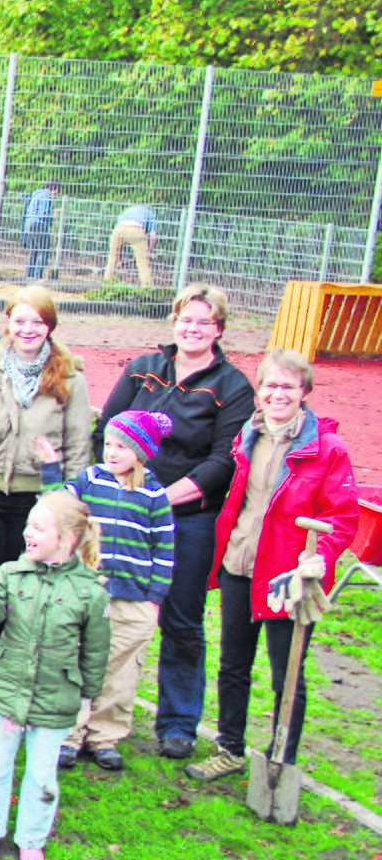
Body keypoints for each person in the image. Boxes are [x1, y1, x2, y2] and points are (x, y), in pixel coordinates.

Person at [94, 284, 254, 759]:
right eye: (186, 319)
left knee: (182, 620)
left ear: (218, 329)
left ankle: (178, 723)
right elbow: (108, 428)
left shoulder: (232, 387)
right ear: (174, 322)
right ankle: (93, 715)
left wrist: (160, 499)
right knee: (109, 610)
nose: (193, 329)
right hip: (123, 511)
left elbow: (223, 460)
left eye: (204, 322)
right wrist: (119, 491)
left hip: (187, 519)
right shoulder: (143, 368)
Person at [188, 351, 359, 785]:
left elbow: (342, 518)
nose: (278, 394)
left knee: (288, 673)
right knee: (233, 665)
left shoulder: (326, 449)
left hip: (289, 577)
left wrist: (321, 557)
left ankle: (281, 760)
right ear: (258, 392)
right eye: (270, 385)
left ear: (305, 392)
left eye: (288, 386)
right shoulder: (247, 436)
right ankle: (229, 748)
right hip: (240, 566)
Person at [0, 286, 92, 710]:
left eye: (37, 322)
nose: (28, 329)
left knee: (22, 593)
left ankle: (2, 680)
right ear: (8, 323)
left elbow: (78, 448)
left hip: (37, 501)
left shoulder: (70, 378)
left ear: (50, 327)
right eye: (20, 320)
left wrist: (67, 508)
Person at [0, 490, 110, 860]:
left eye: (39, 527)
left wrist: (88, 698)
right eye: (29, 525)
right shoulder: (12, 573)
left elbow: (95, 651)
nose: (28, 533)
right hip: (6, 690)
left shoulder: (90, 591)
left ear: (67, 538)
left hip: (55, 699)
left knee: (42, 777)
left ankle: (31, 839)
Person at [61, 411, 175, 772]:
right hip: (88, 591)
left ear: (141, 452)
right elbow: (58, 507)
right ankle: (68, 734)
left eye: (122, 446)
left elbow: (164, 549)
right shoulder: (89, 480)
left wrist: (154, 598)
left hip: (133, 598)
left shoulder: (154, 495)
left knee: (121, 672)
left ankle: (104, 737)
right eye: (108, 444)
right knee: (78, 662)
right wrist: (50, 469)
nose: (111, 452)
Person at [105, 205, 158, 286]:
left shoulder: (128, 210)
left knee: (112, 257)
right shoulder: (150, 214)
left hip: (119, 229)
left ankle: (107, 282)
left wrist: (119, 259)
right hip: (136, 230)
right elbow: (153, 235)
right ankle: (147, 286)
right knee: (142, 262)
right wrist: (149, 250)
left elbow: (119, 247)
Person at [21, 181, 62, 277]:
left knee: (34, 250)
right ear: (54, 189)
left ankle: (29, 274)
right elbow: (43, 214)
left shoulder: (36, 194)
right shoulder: (46, 196)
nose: (56, 194)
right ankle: (38, 275)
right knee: (44, 250)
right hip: (39, 224)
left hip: (29, 223)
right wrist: (53, 216)